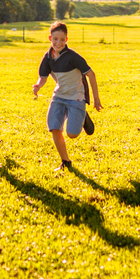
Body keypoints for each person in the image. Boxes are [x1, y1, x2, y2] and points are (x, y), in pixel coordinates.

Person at [32, 21, 102, 171]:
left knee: (71, 134)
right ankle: (66, 161)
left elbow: (91, 74)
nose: (58, 43)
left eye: (62, 40)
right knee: (54, 127)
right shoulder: (48, 57)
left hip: (76, 97)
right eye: (55, 39)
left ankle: (83, 116)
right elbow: (43, 76)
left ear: (66, 40)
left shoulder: (72, 57)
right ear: (50, 38)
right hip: (59, 96)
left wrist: (96, 99)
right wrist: (38, 85)